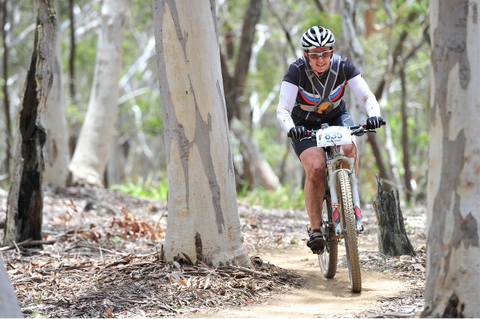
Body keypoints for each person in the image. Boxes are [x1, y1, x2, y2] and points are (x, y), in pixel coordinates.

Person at [276, 26, 383, 253]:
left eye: (325, 53)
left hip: (337, 118)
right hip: (304, 126)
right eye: (314, 55)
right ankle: (316, 230)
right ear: (306, 55)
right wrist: (292, 129)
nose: (321, 59)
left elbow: (366, 96)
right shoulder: (296, 71)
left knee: (348, 148)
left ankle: (349, 201)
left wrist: (373, 115)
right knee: (315, 167)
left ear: (332, 52)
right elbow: (282, 109)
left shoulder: (343, 66)